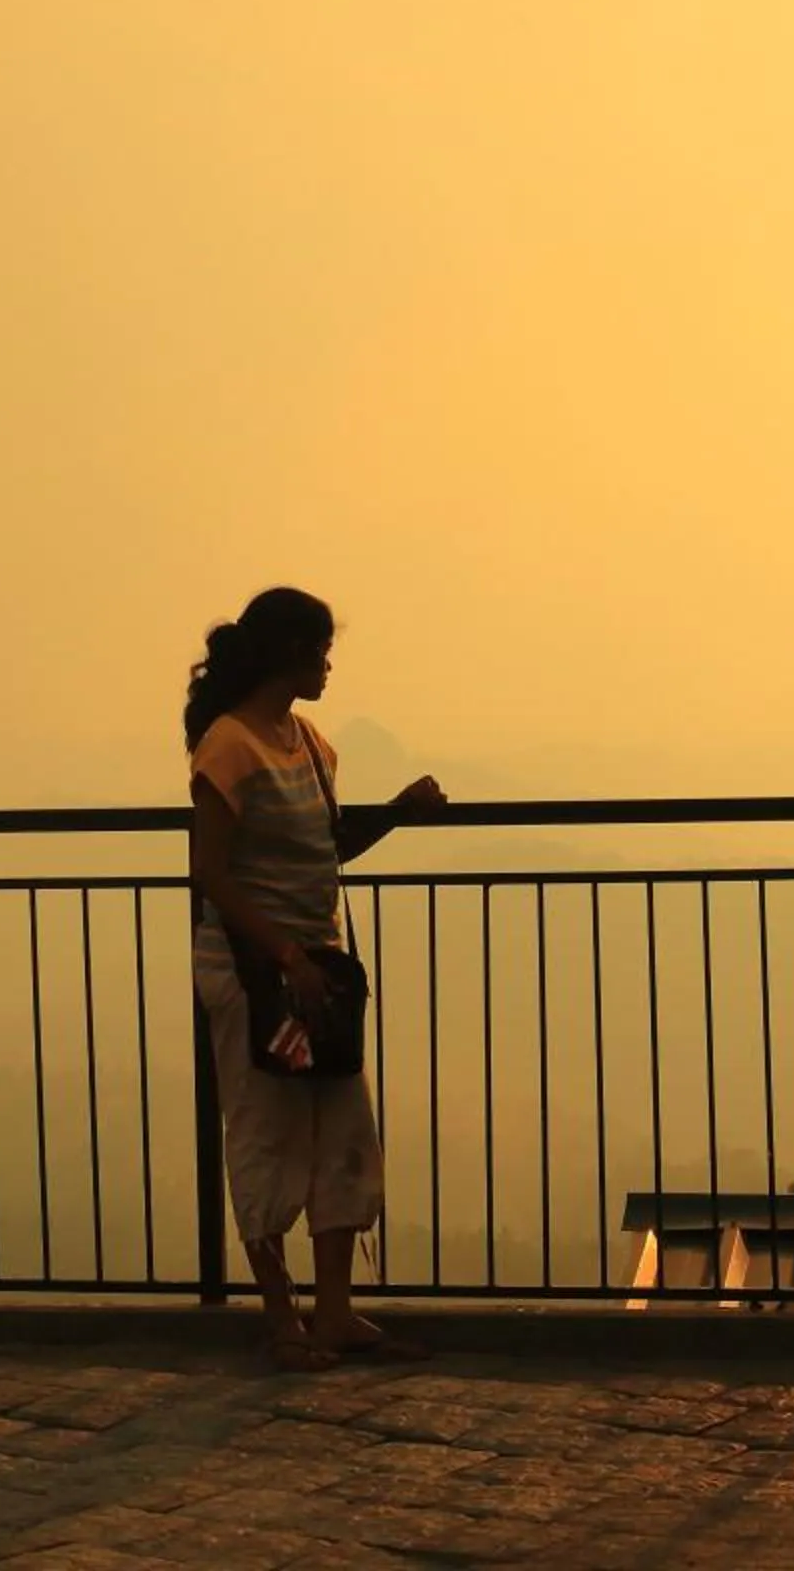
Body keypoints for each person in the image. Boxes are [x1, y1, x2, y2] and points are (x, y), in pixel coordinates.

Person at [184, 587, 447, 1370]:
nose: (329, 664)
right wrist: (283, 957)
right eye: (321, 651)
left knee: (341, 1131)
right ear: (288, 655)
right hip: (255, 974)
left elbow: (326, 847)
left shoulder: (308, 742)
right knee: (266, 1129)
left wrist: (397, 812)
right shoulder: (229, 747)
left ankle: (333, 1313)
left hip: (315, 972)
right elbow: (213, 875)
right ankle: (282, 1320)